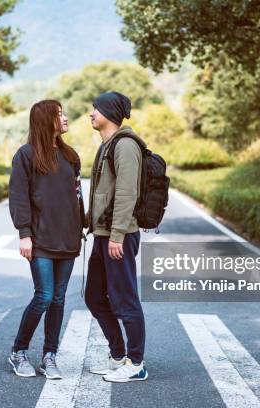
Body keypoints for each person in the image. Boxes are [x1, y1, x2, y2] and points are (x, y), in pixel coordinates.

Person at [8, 99, 85, 379]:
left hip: (68, 239)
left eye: (64, 114)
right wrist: (24, 234)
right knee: (44, 296)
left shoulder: (71, 156)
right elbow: (18, 197)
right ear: (45, 121)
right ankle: (19, 352)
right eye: (59, 114)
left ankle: (49, 356)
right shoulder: (25, 156)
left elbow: (76, 196)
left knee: (59, 299)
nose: (65, 119)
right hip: (40, 240)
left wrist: (82, 225)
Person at [84, 91, 148, 382]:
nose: (91, 113)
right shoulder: (107, 144)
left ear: (109, 112)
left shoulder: (124, 146)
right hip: (103, 234)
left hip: (118, 235)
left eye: (95, 108)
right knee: (94, 296)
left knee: (124, 299)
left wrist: (118, 235)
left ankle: (136, 363)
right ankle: (118, 355)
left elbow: (126, 193)